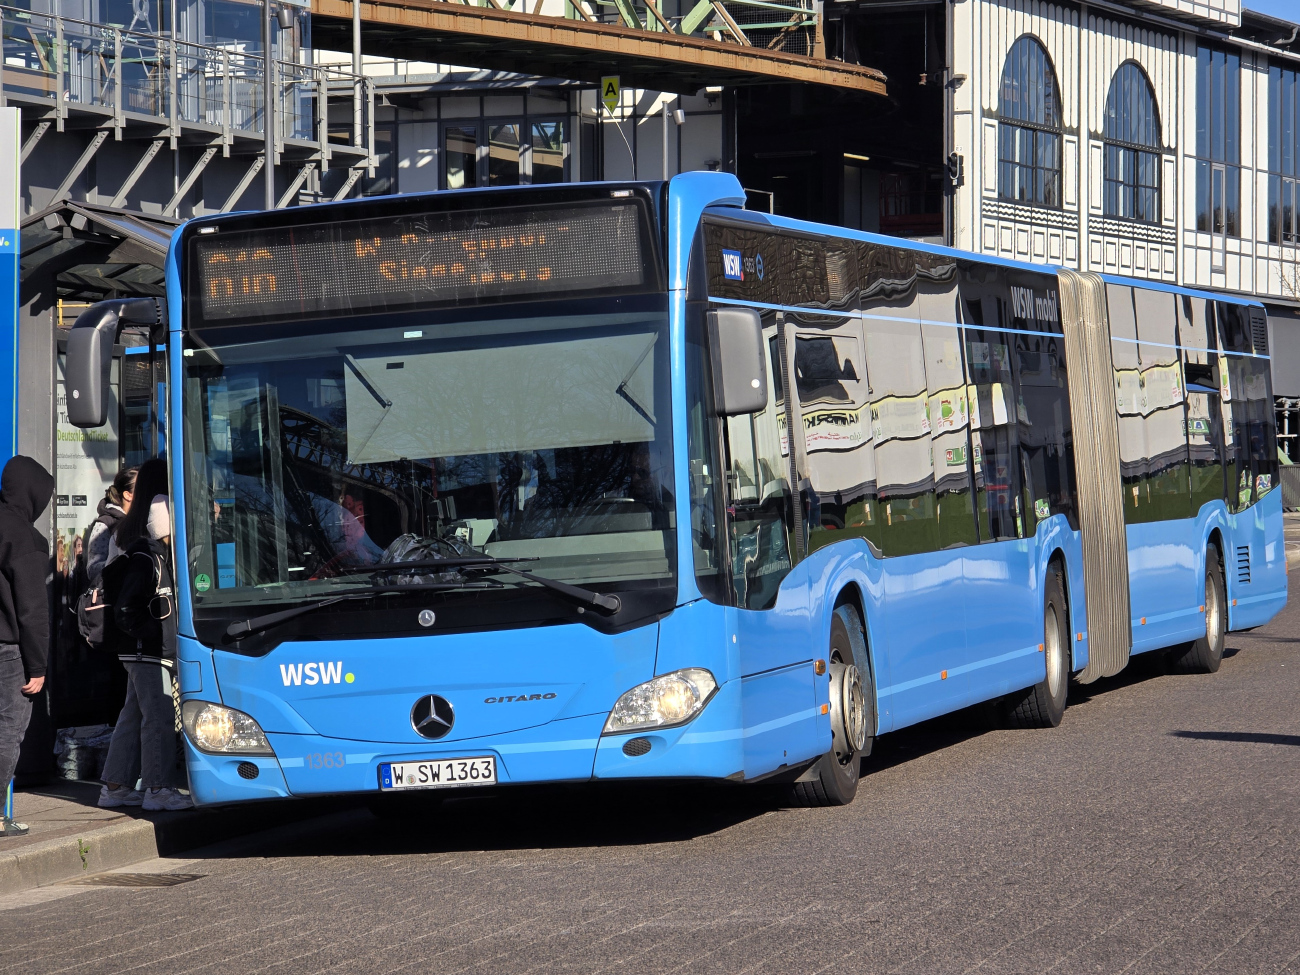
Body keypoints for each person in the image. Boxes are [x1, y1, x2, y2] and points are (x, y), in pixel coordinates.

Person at [98, 458, 192, 812]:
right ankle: (158, 787)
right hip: (146, 648)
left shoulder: (130, 535)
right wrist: (150, 633)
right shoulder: (148, 554)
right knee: (160, 715)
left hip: (138, 649)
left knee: (134, 713)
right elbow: (130, 606)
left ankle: (116, 785)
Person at [0, 456, 55, 838]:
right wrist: (38, 666)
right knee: (7, 732)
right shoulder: (26, 539)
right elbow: (32, 610)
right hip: (9, 652)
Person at [85, 467, 136, 586]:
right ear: (128, 495)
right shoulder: (105, 523)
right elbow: (92, 570)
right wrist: (123, 564)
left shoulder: (141, 520)